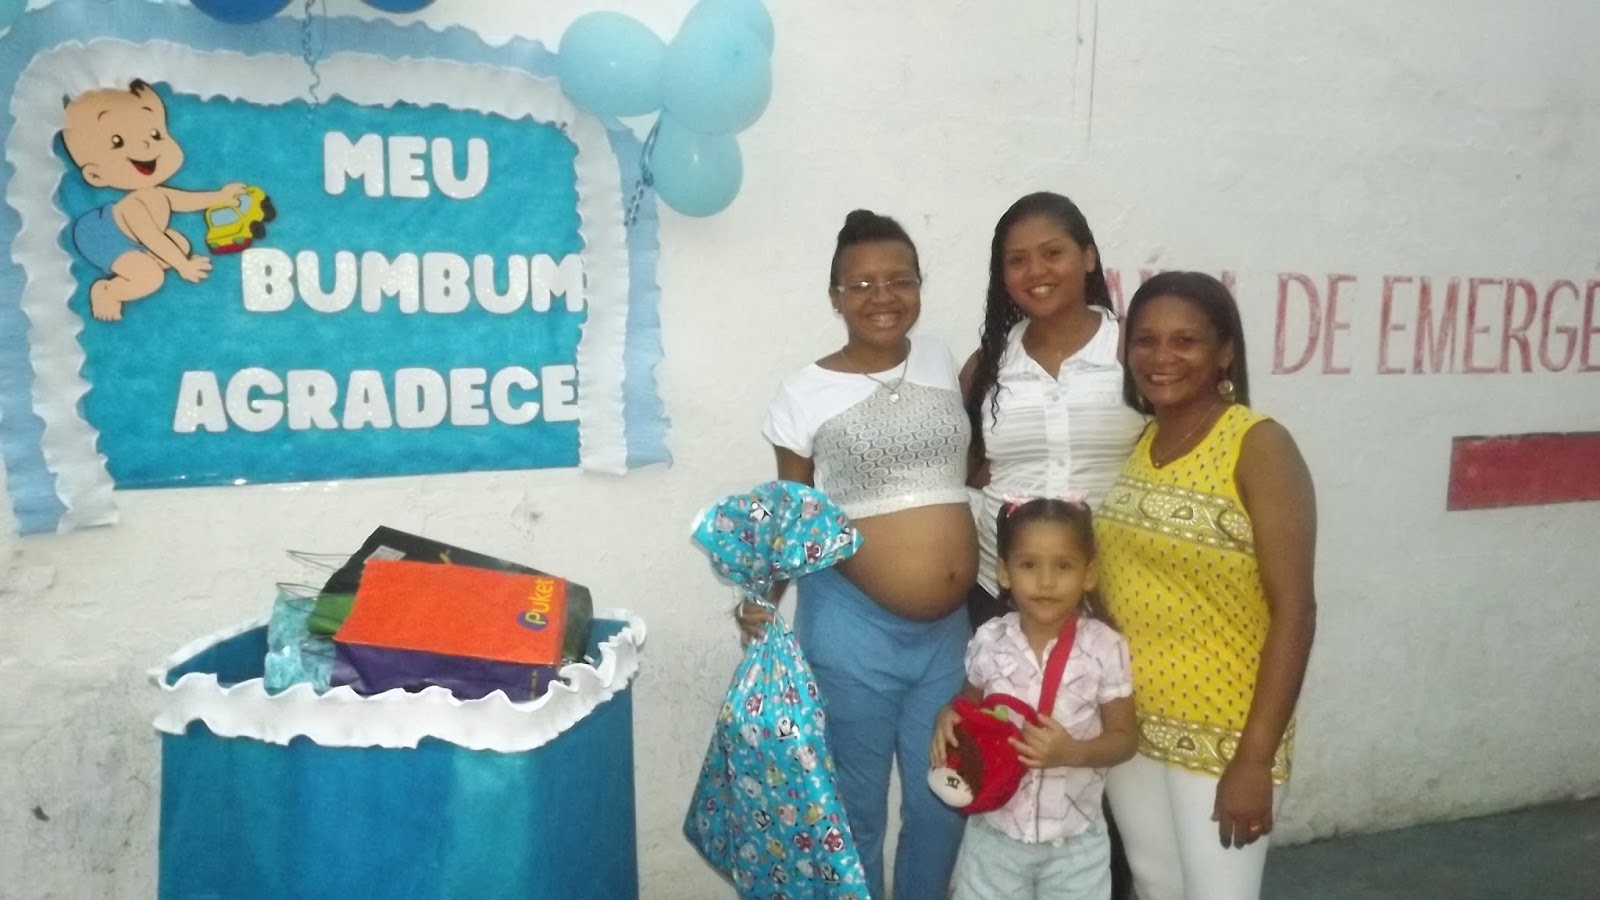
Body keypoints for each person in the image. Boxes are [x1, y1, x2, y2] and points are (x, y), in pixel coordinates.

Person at [745, 209, 978, 899]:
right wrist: (761, 597)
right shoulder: (804, 392)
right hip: (852, 631)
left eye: (900, 279)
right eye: (863, 284)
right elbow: (794, 509)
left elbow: (962, 470)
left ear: (920, 285)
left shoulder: (940, 360)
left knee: (944, 798)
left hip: (948, 636)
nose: (883, 296)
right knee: (855, 809)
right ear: (836, 296)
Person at [1094, 271, 1318, 900]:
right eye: (1146, 340)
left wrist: (1255, 757)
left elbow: (1296, 611)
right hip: (1136, 724)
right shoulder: (1145, 440)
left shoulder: (1259, 445)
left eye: (1185, 340)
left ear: (1224, 353)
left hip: (1227, 731)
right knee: (1156, 886)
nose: (1162, 357)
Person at [932, 498, 1136, 899]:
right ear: (1004, 572)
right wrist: (947, 716)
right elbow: (966, 706)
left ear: (1089, 574)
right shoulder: (989, 640)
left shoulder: (1105, 648)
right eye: (1028, 565)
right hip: (994, 837)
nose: (1046, 581)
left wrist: (1073, 752)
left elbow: (1125, 738)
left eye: (1063, 566)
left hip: (1075, 846)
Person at [961, 192, 1146, 630]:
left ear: (1088, 257)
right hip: (1001, 598)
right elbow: (962, 470)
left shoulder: (1132, 347)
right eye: (1017, 260)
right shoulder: (987, 365)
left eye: (1052, 253)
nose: (1036, 271)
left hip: (1114, 592)